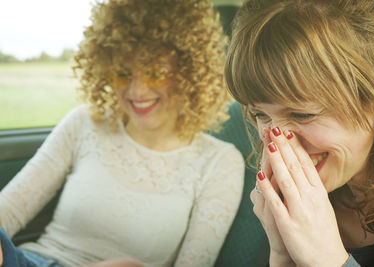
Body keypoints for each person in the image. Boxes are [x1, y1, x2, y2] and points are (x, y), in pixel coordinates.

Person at [0, 0, 245, 266]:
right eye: (122, 74)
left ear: (190, 71)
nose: (137, 91)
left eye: (154, 73)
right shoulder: (84, 122)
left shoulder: (219, 162)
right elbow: (8, 211)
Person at [224, 0, 374, 266]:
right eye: (261, 115)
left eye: (302, 114)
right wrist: (282, 256)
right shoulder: (296, 198)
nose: (277, 138)